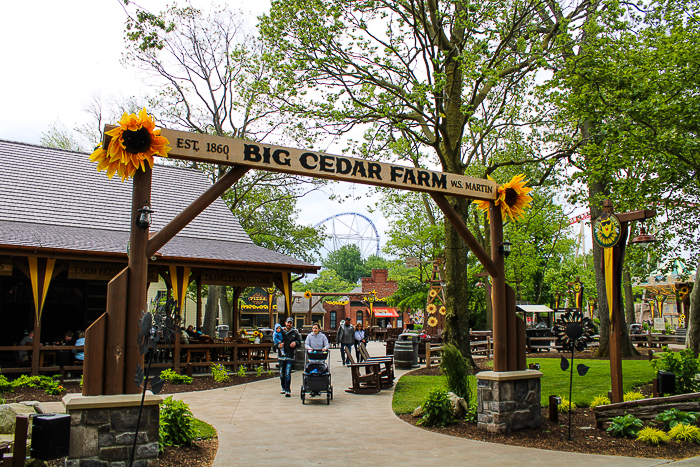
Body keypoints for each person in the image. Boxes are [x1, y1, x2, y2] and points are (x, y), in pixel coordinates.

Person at [279, 317, 301, 397]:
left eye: (290, 323)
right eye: (288, 322)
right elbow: (274, 342)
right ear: (285, 323)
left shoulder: (295, 333)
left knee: (287, 373)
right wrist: (278, 345)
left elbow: (299, 343)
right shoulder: (281, 332)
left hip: (290, 355)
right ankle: (283, 387)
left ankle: (288, 389)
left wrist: (295, 343)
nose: (289, 324)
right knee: (282, 373)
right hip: (281, 356)